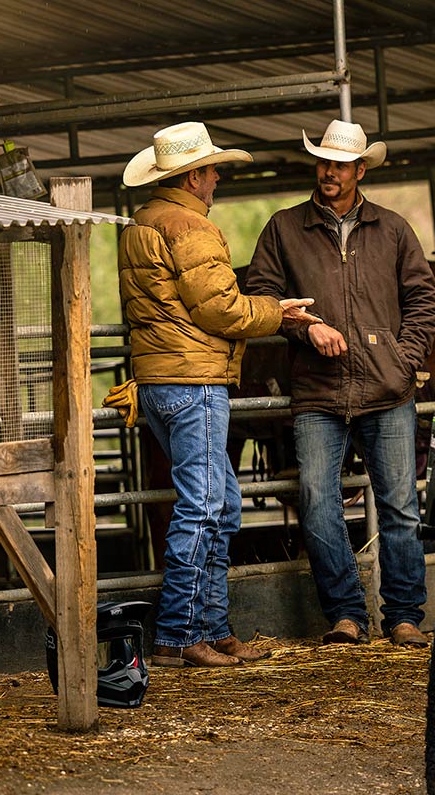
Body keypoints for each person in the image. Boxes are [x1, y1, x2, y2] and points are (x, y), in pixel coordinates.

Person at [118, 121, 321, 668]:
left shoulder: (141, 223)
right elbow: (220, 309)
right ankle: (178, 635)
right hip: (194, 381)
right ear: (192, 178)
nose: (216, 180)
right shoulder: (191, 229)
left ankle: (213, 625)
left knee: (223, 503)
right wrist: (278, 312)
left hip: (159, 379)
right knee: (204, 505)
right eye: (211, 171)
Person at [246, 119, 435, 647]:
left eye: (339, 164)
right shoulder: (284, 229)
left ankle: (404, 615)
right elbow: (262, 299)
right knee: (317, 500)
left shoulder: (394, 229)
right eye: (323, 162)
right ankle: (346, 615)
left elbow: (425, 302)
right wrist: (308, 327)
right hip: (317, 390)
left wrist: (403, 359)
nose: (329, 172)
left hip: (388, 390)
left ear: (359, 170)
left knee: (400, 504)